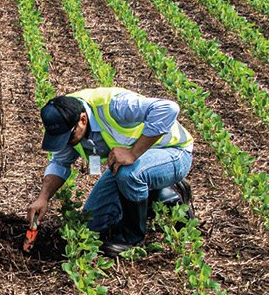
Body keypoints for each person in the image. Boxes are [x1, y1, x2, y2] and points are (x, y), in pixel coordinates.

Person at [26, 87, 194, 257]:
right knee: (92, 225)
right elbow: (60, 163)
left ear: (83, 120)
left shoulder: (115, 106)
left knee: (129, 175)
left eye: (67, 138)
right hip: (128, 165)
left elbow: (168, 108)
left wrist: (133, 153)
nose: (66, 143)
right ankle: (156, 196)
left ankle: (133, 237)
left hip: (173, 152)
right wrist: (43, 198)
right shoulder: (65, 119)